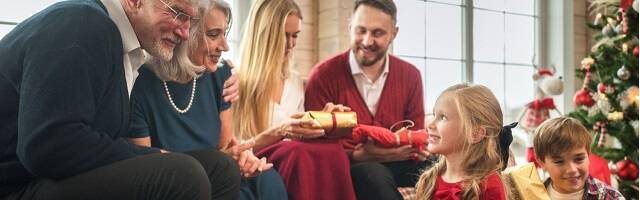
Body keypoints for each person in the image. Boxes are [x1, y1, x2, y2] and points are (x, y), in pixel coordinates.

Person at [0, 0, 241, 199]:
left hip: (48, 179)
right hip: (18, 186)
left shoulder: (126, 50)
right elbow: (47, 145)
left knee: (219, 168)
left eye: (191, 20)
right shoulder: (82, 24)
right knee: (184, 175)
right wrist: (150, 156)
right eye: (178, 14)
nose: (186, 32)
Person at [127, 1, 288, 199]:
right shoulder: (140, 82)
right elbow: (146, 164)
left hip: (222, 174)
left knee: (268, 179)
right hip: (179, 184)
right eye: (213, 35)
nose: (225, 46)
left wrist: (243, 156)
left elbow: (226, 146)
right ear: (185, 33)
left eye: (225, 34)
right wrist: (223, 161)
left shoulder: (221, 75)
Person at [233, 0, 356, 199]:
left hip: (293, 162)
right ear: (264, 35)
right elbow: (235, 150)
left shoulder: (296, 83)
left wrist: (320, 121)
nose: (291, 44)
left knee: (334, 150)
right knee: (297, 153)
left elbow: (297, 138)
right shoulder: (235, 81)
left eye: (295, 35)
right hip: (258, 163)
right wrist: (280, 131)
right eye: (284, 35)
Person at [304, 0, 428, 199]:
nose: (367, 41)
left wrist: (387, 152)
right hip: (351, 169)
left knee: (449, 164)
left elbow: (414, 136)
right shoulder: (322, 76)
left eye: (378, 33)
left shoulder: (411, 75)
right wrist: (358, 155)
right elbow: (318, 148)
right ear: (349, 26)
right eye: (361, 30)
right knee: (373, 174)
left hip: (402, 164)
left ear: (394, 34)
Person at [414, 83, 509, 199]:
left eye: (443, 117)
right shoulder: (428, 181)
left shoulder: (489, 186)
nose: (430, 125)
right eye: (434, 115)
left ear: (475, 134)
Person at [533, 117, 624, 199]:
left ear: (588, 156)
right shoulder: (530, 196)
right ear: (542, 163)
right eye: (559, 161)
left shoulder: (610, 197)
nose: (572, 169)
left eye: (579, 159)